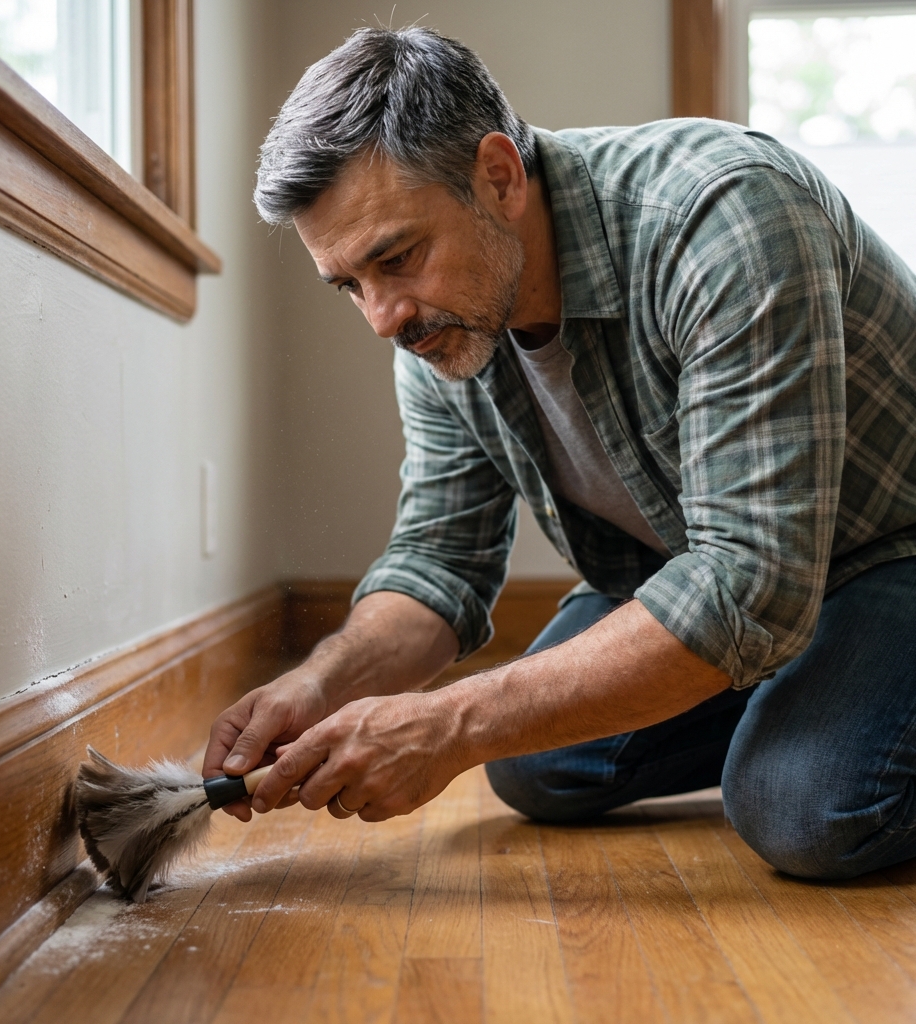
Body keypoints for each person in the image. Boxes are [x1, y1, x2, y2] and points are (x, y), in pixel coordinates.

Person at [204, 26, 916, 879]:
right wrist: (324, 684)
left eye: (397, 257)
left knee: (803, 807)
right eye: (351, 282)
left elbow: (747, 583)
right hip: (723, 577)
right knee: (536, 765)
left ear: (499, 177)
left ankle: (815, 723)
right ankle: (810, 701)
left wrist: (447, 722)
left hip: (889, 555)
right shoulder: (442, 326)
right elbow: (440, 561)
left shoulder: (723, 215)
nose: (383, 317)